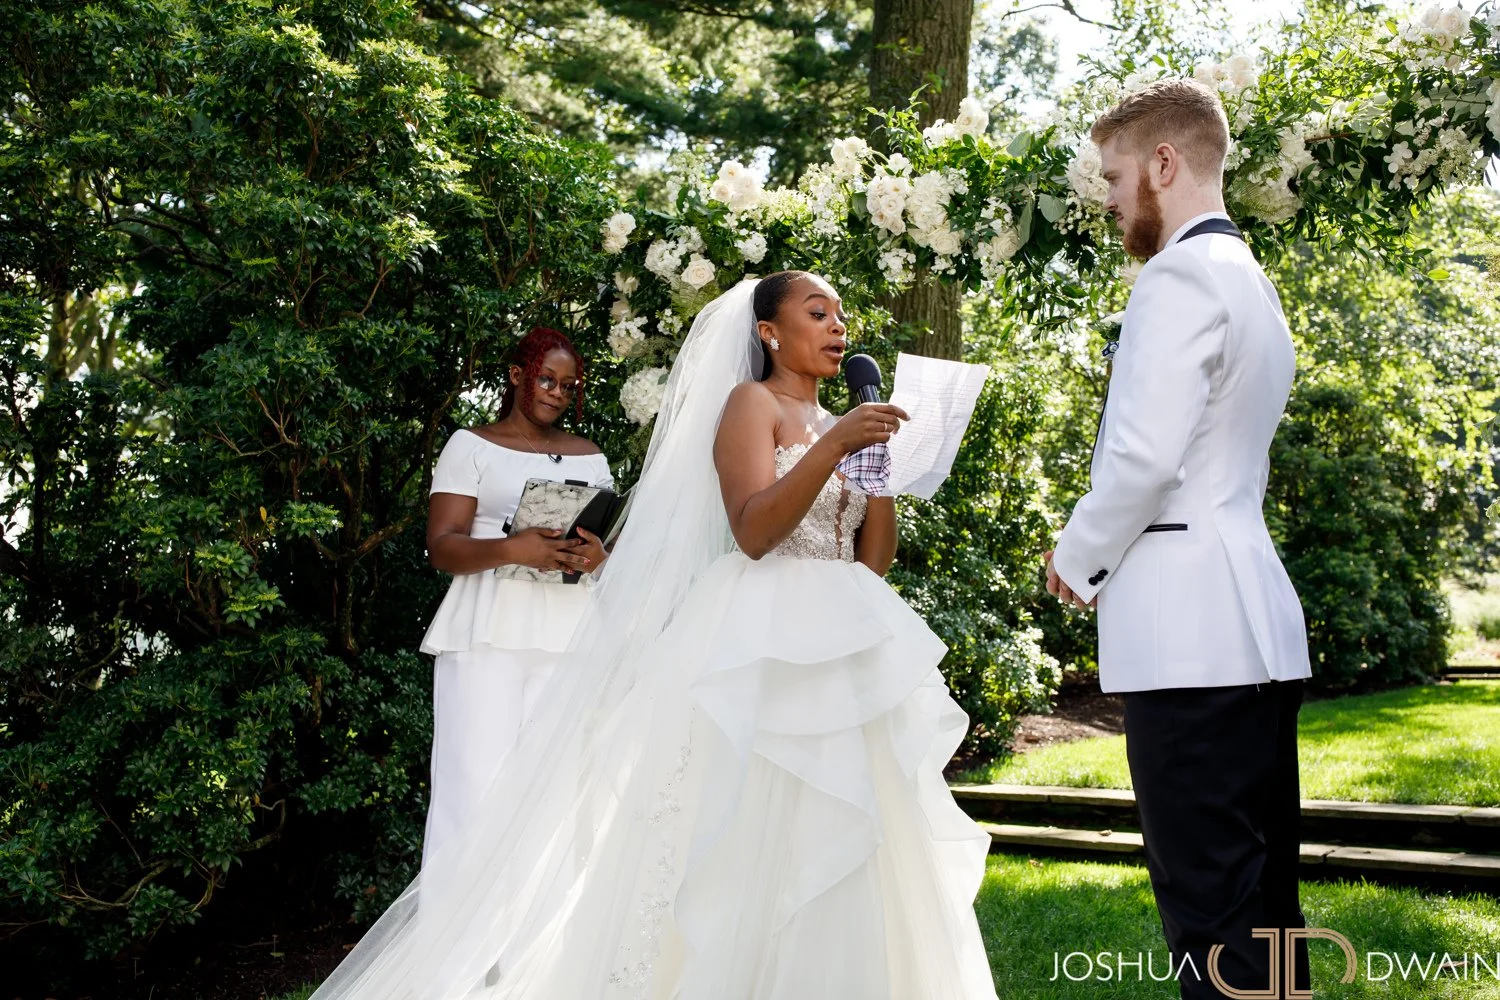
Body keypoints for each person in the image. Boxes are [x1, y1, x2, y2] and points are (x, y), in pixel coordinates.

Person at [310, 274, 998, 1000]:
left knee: (858, 820)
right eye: (818, 312)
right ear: (769, 331)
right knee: (751, 820)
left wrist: (875, 463)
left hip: (846, 634)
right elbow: (755, 530)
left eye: (842, 315)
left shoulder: (846, 422)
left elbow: (873, 560)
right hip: (764, 633)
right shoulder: (749, 404)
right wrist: (834, 451)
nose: (838, 328)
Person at [1044, 79, 1313, 999]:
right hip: (1255, 630)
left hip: (1187, 641)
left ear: (1165, 162)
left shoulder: (1178, 276)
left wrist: (1076, 557)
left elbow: (1143, 458)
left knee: (1212, 919)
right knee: (1268, 909)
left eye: (1116, 175)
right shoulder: (1251, 278)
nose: (1111, 198)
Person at [420, 325, 613, 866]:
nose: (555, 391)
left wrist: (599, 557)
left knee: (557, 790)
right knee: (475, 788)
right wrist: (513, 549)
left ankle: (543, 948)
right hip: (487, 630)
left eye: (567, 385)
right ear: (516, 376)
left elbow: (605, 546)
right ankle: (460, 944)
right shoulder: (471, 445)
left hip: (570, 632)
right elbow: (442, 547)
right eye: (546, 379)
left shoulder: (589, 457)